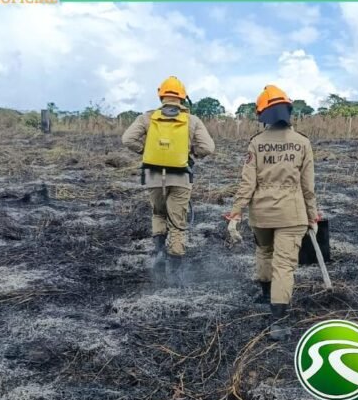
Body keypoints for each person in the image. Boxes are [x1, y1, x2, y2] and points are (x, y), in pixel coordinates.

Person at [226, 85, 319, 341]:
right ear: (288, 110)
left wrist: (236, 213)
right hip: (293, 214)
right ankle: (278, 322)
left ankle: (265, 295)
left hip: (262, 214)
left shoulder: (256, 143)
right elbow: (308, 187)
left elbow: (247, 183)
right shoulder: (302, 143)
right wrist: (313, 216)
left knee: (264, 252)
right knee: (284, 266)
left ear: (263, 114)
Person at [122, 76, 215, 283]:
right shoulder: (192, 120)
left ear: (161, 95)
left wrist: (145, 151)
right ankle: (175, 272)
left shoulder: (147, 118)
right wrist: (190, 154)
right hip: (181, 177)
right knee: (177, 223)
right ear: (182, 97)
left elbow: (127, 139)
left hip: (154, 175)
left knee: (158, 213)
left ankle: (159, 253)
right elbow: (208, 147)